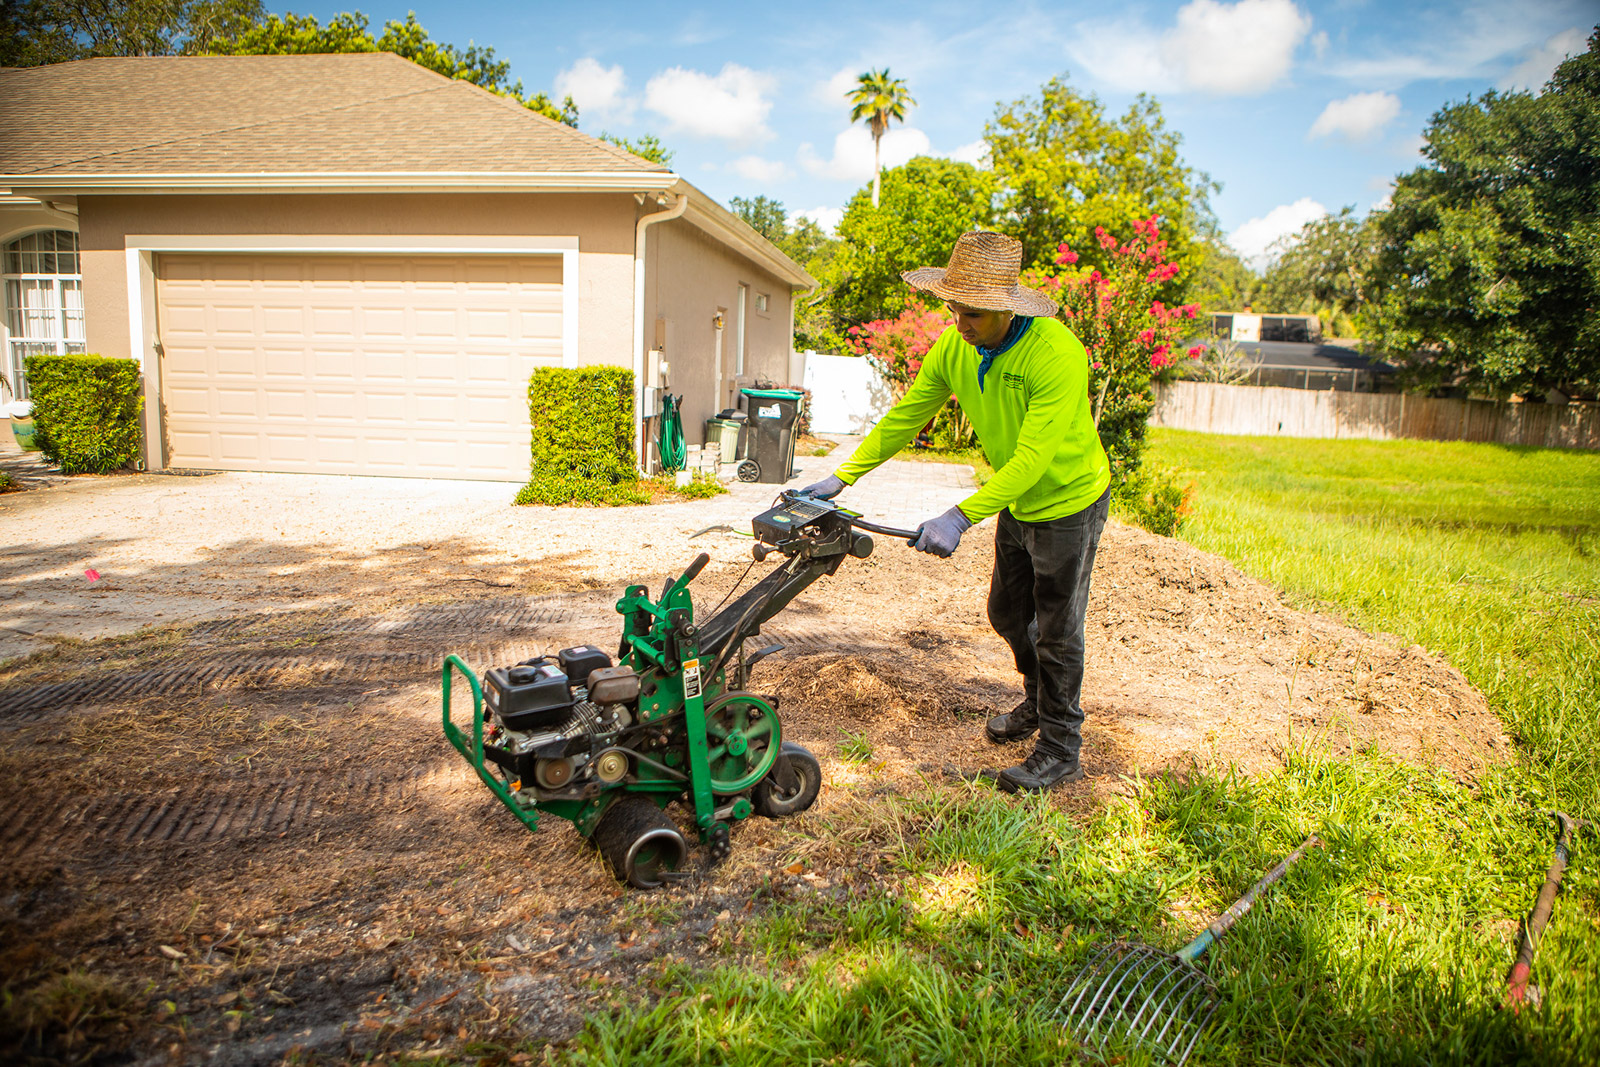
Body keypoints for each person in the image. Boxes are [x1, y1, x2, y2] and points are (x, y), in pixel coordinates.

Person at [799, 231, 1111, 793]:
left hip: (1068, 502)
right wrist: (842, 474)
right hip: (1017, 502)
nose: (958, 322)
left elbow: (1033, 459)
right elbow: (907, 414)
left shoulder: (1057, 354)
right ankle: (1037, 704)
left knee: (1058, 629)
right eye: (952, 308)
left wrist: (960, 516)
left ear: (1003, 308)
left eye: (970, 312)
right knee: (1009, 614)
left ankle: (1062, 747)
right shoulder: (955, 347)